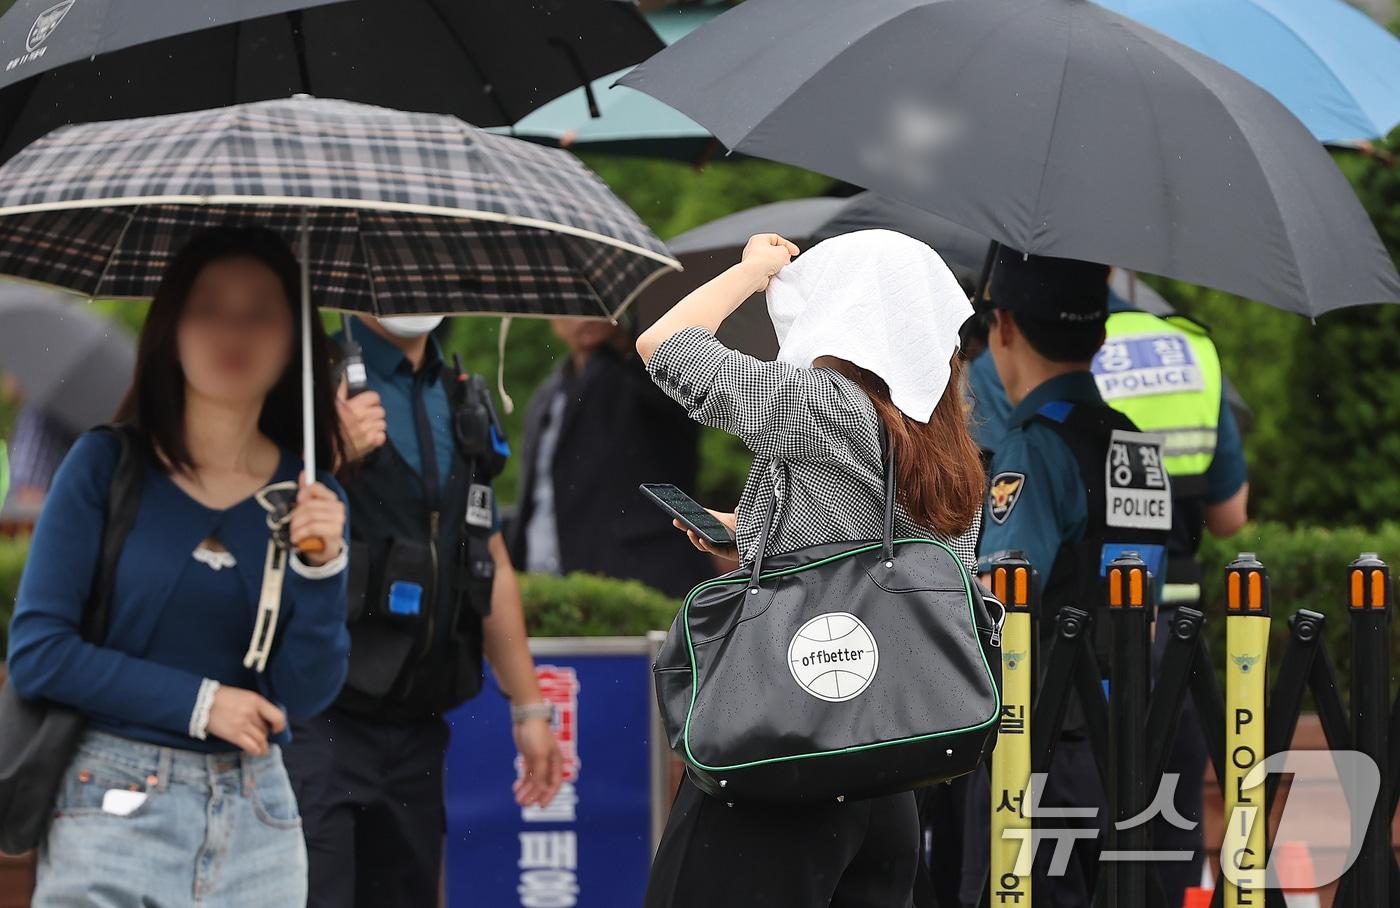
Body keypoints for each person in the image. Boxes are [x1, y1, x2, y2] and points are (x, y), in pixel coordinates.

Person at [636, 229, 985, 908]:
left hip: (781, 753)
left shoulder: (823, 406)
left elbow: (664, 344)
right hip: (885, 774)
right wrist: (753, 536)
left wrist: (751, 271)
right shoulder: (947, 447)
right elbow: (873, 564)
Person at [7, 226, 352, 907]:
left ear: (295, 342)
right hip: (111, 806)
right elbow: (40, 654)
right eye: (209, 306)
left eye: (261, 312)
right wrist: (202, 704)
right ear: (172, 326)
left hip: (259, 818)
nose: (234, 330)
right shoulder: (106, 466)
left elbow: (304, 695)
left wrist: (323, 567)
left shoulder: (311, 500)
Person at [966, 279, 1248, 906]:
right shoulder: (1133, 442)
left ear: (1004, 328)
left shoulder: (1033, 447)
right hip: (1129, 720)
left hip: (1039, 737)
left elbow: (1000, 596)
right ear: (1100, 338)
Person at [283, 313, 564, 908]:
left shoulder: (460, 392)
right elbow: (246, 519)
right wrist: (329, 454)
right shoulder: (305, 381)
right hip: (318, 718)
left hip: (418, 725)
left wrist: (529, 706)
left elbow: (488, 556)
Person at [509, 317, 714, 598]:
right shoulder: (549, 393)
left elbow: (681, 407)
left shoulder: (645, 374)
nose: (584, 317)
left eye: (591, 307)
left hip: (643, 580)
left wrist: (628, 348)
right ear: (553, 320)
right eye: (572, 307)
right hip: (550, 578)